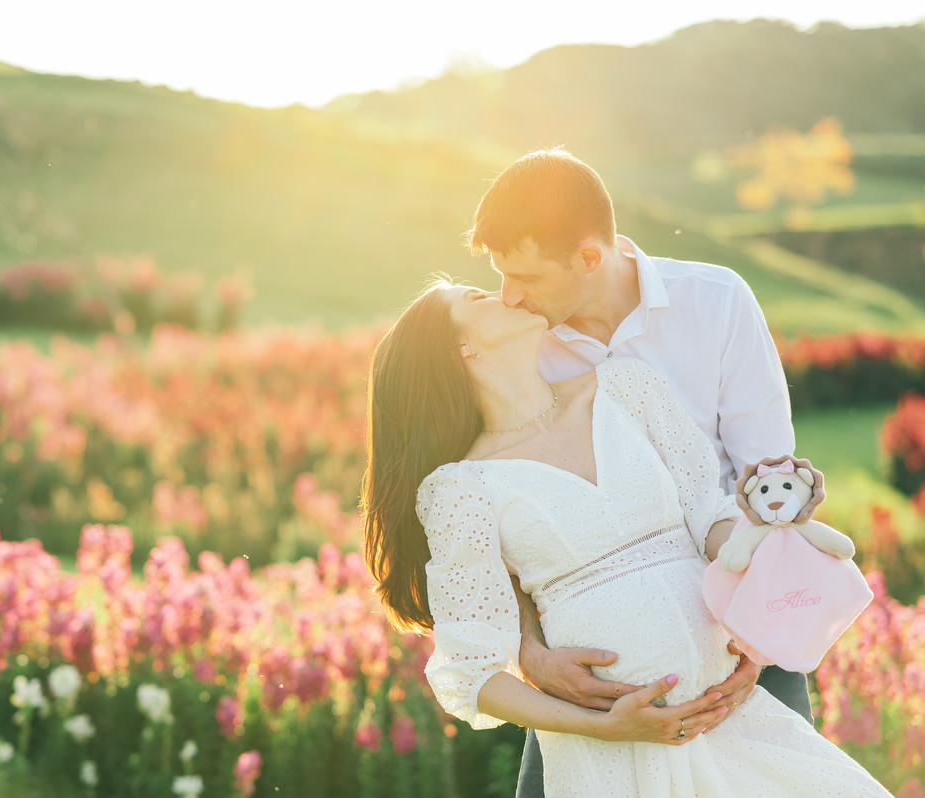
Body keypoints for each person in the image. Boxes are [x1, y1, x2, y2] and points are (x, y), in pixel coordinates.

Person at [359, 278, 891, 797]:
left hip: (729, 716)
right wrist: (606, 727)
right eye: (477, 296)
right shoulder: (460, 488)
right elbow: (472, 675)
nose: (504, 291)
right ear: (460, 347)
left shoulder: (627, 388)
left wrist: (765, 561)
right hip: (612, 763)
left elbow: (707, 514)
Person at [463, 149, 825, 797]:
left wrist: (760, 642)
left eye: (526, 276)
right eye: (499, 276)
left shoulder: (715, 303)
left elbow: (768, 488)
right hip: (598, 677)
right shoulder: (516, 349)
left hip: (739, 644)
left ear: (590, 259)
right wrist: (533, 655)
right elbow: (495, 532)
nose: (508, 296)